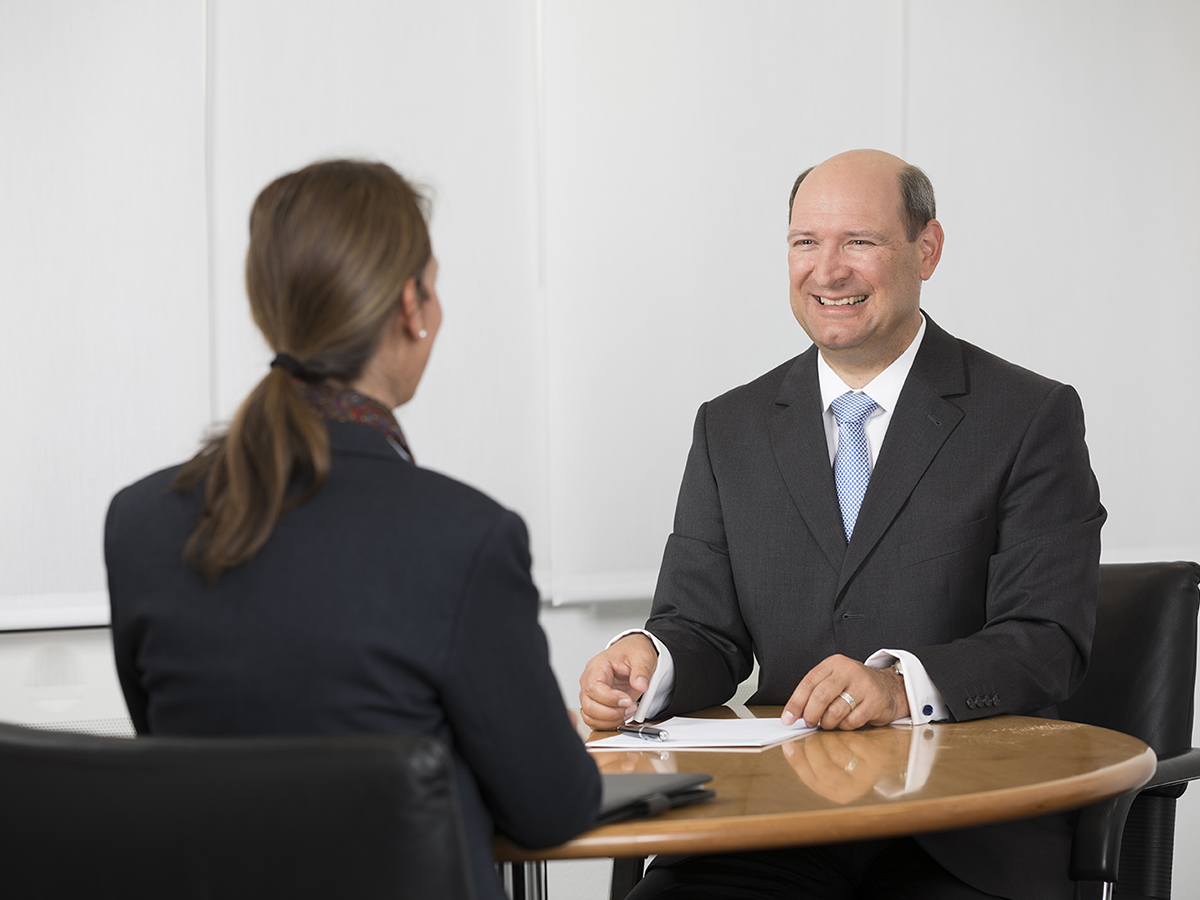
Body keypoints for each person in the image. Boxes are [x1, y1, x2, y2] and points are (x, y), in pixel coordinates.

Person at [579, 149, 1104, 899]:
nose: (828, 271)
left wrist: (899, 689)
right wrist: (647, 660)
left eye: (859, 241)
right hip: (768, 823)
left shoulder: (1028, 417)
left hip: (958, 830)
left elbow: (1048, 639)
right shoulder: (730, 427)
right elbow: (703, 629)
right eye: (805, 243)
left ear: (927, 250)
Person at [105, 159, 601, 900]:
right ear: (413, 304)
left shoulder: (139, 525)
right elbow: (553, 809)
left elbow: (192, 771)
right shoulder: (465, 537)